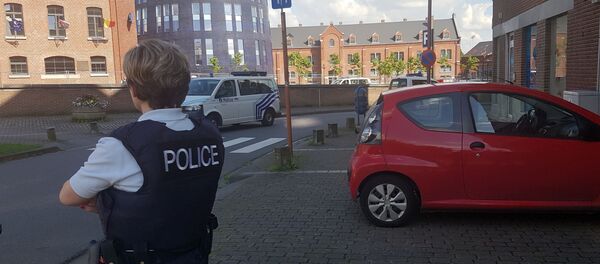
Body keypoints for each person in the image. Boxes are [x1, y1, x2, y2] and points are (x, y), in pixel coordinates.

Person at [59, 39, 224, 264]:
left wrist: (107, 205)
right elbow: (179, 196)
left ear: (134, 89)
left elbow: (68, 196)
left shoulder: (124, 144)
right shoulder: (210, 135)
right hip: (194, 254)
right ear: (185, 88)